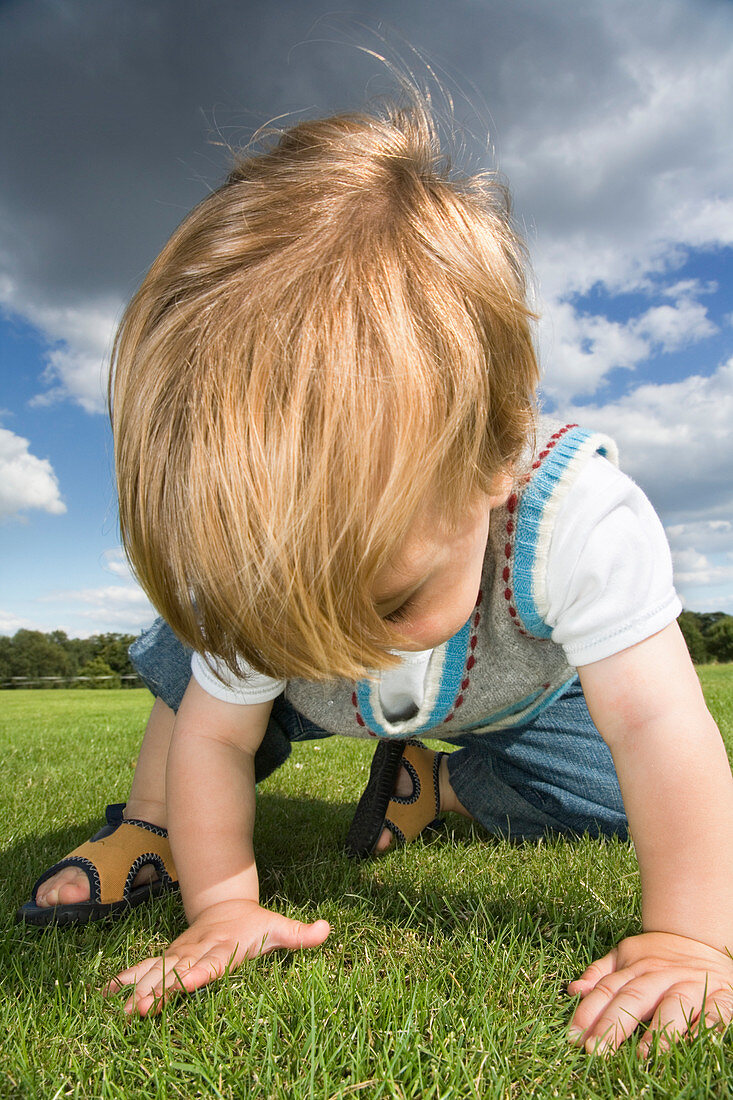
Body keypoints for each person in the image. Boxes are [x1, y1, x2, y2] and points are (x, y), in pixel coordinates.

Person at [18, 93, 733, 1054]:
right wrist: (224, 903)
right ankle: (148, 830)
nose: (341, 645)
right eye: (287, 614)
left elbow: (656, 726)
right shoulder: (271, 600)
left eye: (386, 598)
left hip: (512, 699)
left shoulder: (579, 519)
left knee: (608, 803)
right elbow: (219, 744)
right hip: (295, 705)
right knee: (196, 686)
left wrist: (691, 936)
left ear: (494, 460)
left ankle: (434, 784)